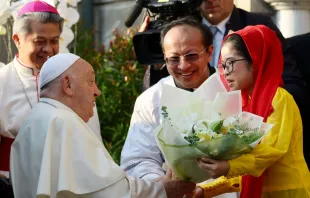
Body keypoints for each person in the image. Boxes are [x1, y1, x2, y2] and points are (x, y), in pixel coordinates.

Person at [142, 0, 310, 167]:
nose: (210, 1)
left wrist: (253, 115)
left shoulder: (257, 25)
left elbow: (290, 81)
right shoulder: (182, 27)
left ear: (209, 51)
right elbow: (159, 92)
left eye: (192, 55)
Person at [10, 53, 196, 198]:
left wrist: (156, 186)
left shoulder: (34, 121)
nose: (97, 92)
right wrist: (162, 191)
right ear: (67, 84)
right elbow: (110, 192)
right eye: (91, 81)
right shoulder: (62, 121)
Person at [121, 17, 237, 198]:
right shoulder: (151, 100)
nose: (183, 66)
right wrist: (163, 185)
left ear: (210, 52)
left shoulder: (235, 90)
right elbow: (139, 160)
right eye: (173, 59)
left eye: (191, 56)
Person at [196, 25, 310, 198]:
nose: (226, 72)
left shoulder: (279, 97)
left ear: (255, 59)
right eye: (223, 65)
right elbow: (246, 169)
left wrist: (228, 166)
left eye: (231, 63)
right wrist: (206, 190)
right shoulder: (242, 104)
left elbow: (271, 151)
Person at [0, 0, 101, 181]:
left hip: (67, 182)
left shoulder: (75, 80)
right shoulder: (2, 81)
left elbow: (92, 140)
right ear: (17, 40)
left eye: (54, 41)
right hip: (12, 183)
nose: (48, 49)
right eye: (40, 41)